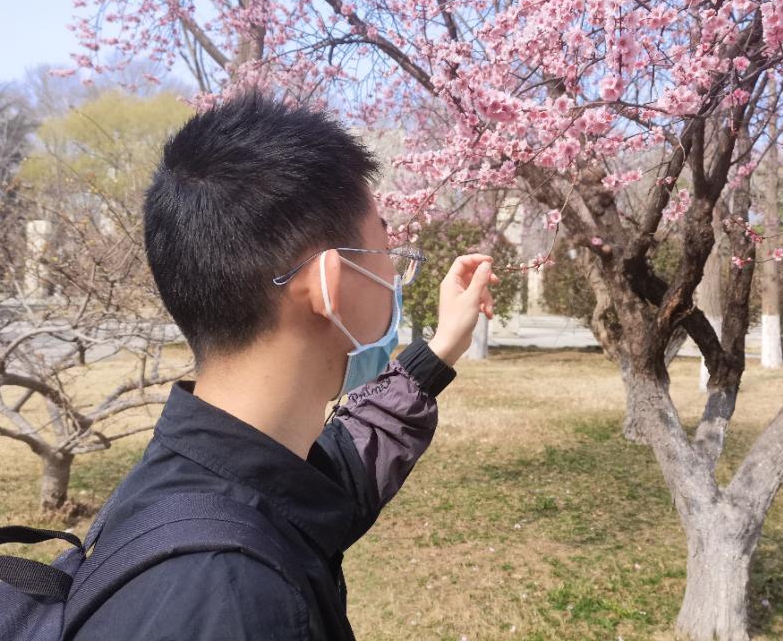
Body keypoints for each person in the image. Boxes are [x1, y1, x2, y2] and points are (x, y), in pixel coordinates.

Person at [72, 92, 498, 640]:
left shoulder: (203, 468)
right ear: (330, 286)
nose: (395, 277)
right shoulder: (234, 601)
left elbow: (330, 480)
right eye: (387, 252)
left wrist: (440, 349)